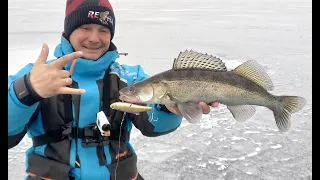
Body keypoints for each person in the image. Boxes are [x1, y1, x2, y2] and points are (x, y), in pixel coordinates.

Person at [8, 0, 219, 179]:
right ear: (68, 31)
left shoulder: (130, 78)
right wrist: (27, 90)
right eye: (85, 28)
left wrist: (168, 109)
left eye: (103, 30)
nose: (94, 38)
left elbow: (152, 126)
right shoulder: (37, 75)